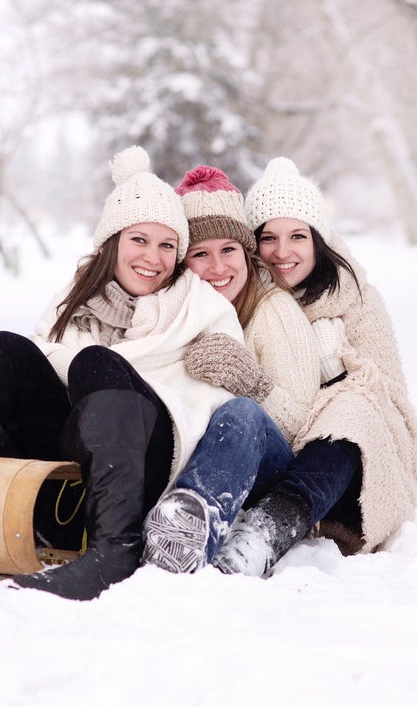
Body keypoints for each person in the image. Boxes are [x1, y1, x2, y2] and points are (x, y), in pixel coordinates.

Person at [0, 146, 243, 601]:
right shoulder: (75, 302)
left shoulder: (200, 308)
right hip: (73, 469)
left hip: (150, 467)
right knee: (7, 349)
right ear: (111, 243)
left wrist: (103, 373)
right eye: (139, 240)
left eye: (167, 245)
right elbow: (47, 371)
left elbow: (214, 412)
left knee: (95, 362)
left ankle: (116, 549)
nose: (153, 257)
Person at [212, 156, 417, 577]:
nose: (283, 252)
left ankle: (264, 535)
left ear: (317, 240)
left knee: (355, 407)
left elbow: (391, 400)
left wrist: (337, 374)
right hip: (275, 449)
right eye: (268, 238)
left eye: (297, 236)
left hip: (347, 463)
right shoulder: (243, 297)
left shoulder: (355, 298)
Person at [140, 165, 320, 573]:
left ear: (246, 253)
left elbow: (305, 430)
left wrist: (251, 383)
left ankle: (189, 526)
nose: (218, 267)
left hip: (268, 470)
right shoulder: (178, 312)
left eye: (228, 250)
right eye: (201, 254)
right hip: (195, 456)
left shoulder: (273, 312)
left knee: (241, 413)